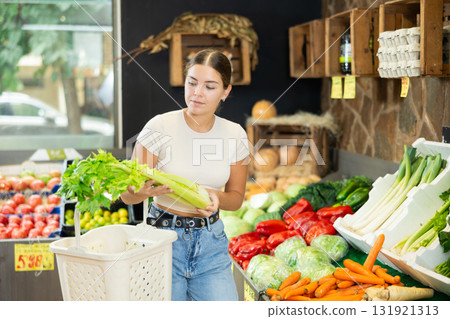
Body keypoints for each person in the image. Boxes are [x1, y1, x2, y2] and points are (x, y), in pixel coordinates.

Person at [121, 49, 249, 301]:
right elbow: (127, 196)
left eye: (209, 86)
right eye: (192, 83)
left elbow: (236, 199)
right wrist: (141, 192)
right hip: (162, 240)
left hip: (211, 244)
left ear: (226, 91)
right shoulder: (159, 126)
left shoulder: (235, 135)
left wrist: (215, 198)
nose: (197, 92)